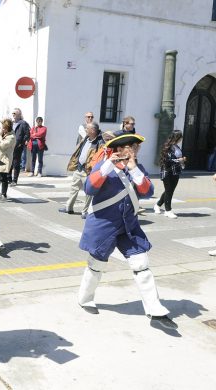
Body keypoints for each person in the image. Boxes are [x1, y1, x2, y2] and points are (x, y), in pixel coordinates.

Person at [77, 132, 177, 330]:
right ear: (122, 148)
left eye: (137, 148)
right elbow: (89, 188)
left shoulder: (136, 168)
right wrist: (108, 165)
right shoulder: (104, 165)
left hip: (129, 226)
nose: (136, 151)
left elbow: (147, 191)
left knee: (141, 264)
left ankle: (155, 310)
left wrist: (133, 168)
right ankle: (85, 299)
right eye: (133, 147)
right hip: (104, 226)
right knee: (96, 265)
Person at [59, 122, 104, 219]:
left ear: (92, 130)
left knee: (88, 192)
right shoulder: (86, 139)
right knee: (73, 188)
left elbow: (99, 157)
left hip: (88, 171)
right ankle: (69, 207)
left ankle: (85, 212)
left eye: (87, 128)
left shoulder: (100, 142)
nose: (85, 130)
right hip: (79, 168)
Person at [154, 130, 186, 219]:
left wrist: (182, 160)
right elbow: (166, 160)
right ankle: (168, 211)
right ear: (177, 137)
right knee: (169, 191)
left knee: (170, 190)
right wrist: (178, 160)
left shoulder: (177, 147)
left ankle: (158, 205)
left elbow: (178, 158)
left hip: (176, 171)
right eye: (180, 137)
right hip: (167, 171)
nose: (181, 139)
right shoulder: (167, 146)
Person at [0, 118, 15, 201]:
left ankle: (3, 194)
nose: (2, 129)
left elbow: (2, 145)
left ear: (8, 128)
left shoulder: (11, 137)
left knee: (4, 178)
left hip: (5, 159)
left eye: (4, 128)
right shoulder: (3, 135)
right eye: (2, 127)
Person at [9, 108, 30, 186]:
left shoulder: (23, 123)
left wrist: (22, 142)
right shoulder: (11, 123)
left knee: (16, 163)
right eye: (12, 113)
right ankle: (9, 179)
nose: (13, 115)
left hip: (18, 145)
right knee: (9, 162)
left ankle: (14, 180)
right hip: (10, 145)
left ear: (19, 114)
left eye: (14, 113)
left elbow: (27, 134)